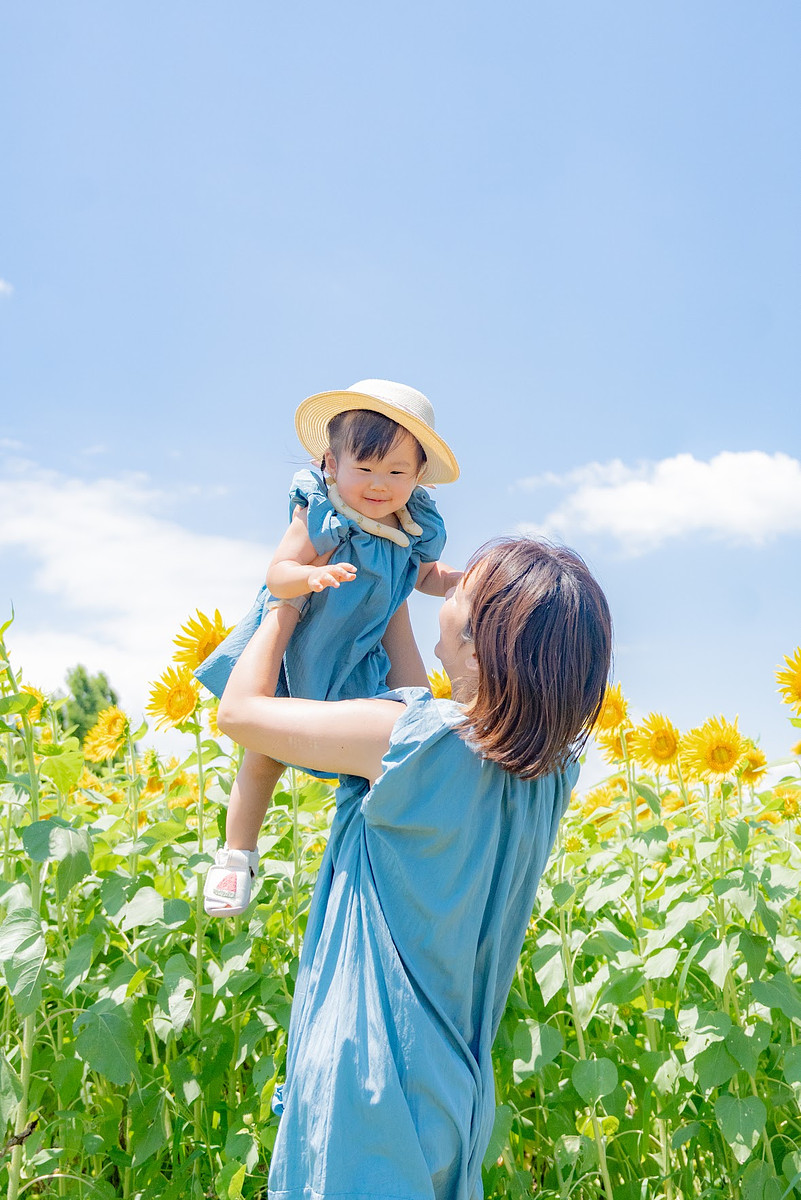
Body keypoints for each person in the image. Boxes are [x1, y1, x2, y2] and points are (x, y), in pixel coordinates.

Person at [216, 535, 612, 1200]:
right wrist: (390, 581)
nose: (447, 590)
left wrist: (282, 604)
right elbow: (419, 701)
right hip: (452, 1090)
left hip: (365, 1082)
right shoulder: (548, 774)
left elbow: (239, 713)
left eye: (463, 589)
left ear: (485, 638)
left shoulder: (406, 740)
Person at [196, 379, 461, 915]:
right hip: (305, 640)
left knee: (412, 723)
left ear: (418, 476)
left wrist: (458, 580)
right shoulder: (322, 510)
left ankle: (395, 834)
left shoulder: (414, 526)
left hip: (366, 649)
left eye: (396, 472)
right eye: (363, 469)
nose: (378, 485)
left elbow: (424, 577)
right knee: (265, 748)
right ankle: (236, 857)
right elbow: (278, 573)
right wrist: (307, 580)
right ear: (330, 463)